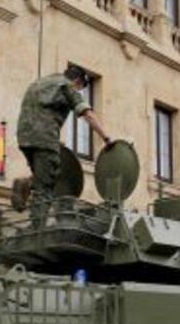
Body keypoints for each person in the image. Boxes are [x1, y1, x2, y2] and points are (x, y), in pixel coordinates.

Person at [15, 65, 111, 222]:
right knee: (45, 187)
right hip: (45, 139)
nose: (78, 90)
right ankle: (37, 228)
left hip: (24, 137)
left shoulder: (41, 82)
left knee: (44, 175)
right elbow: (88, 115)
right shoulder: (67, 86)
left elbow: (39, 110)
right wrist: (106, 138)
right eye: (80, 88)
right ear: (78, 81)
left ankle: (27, 182)